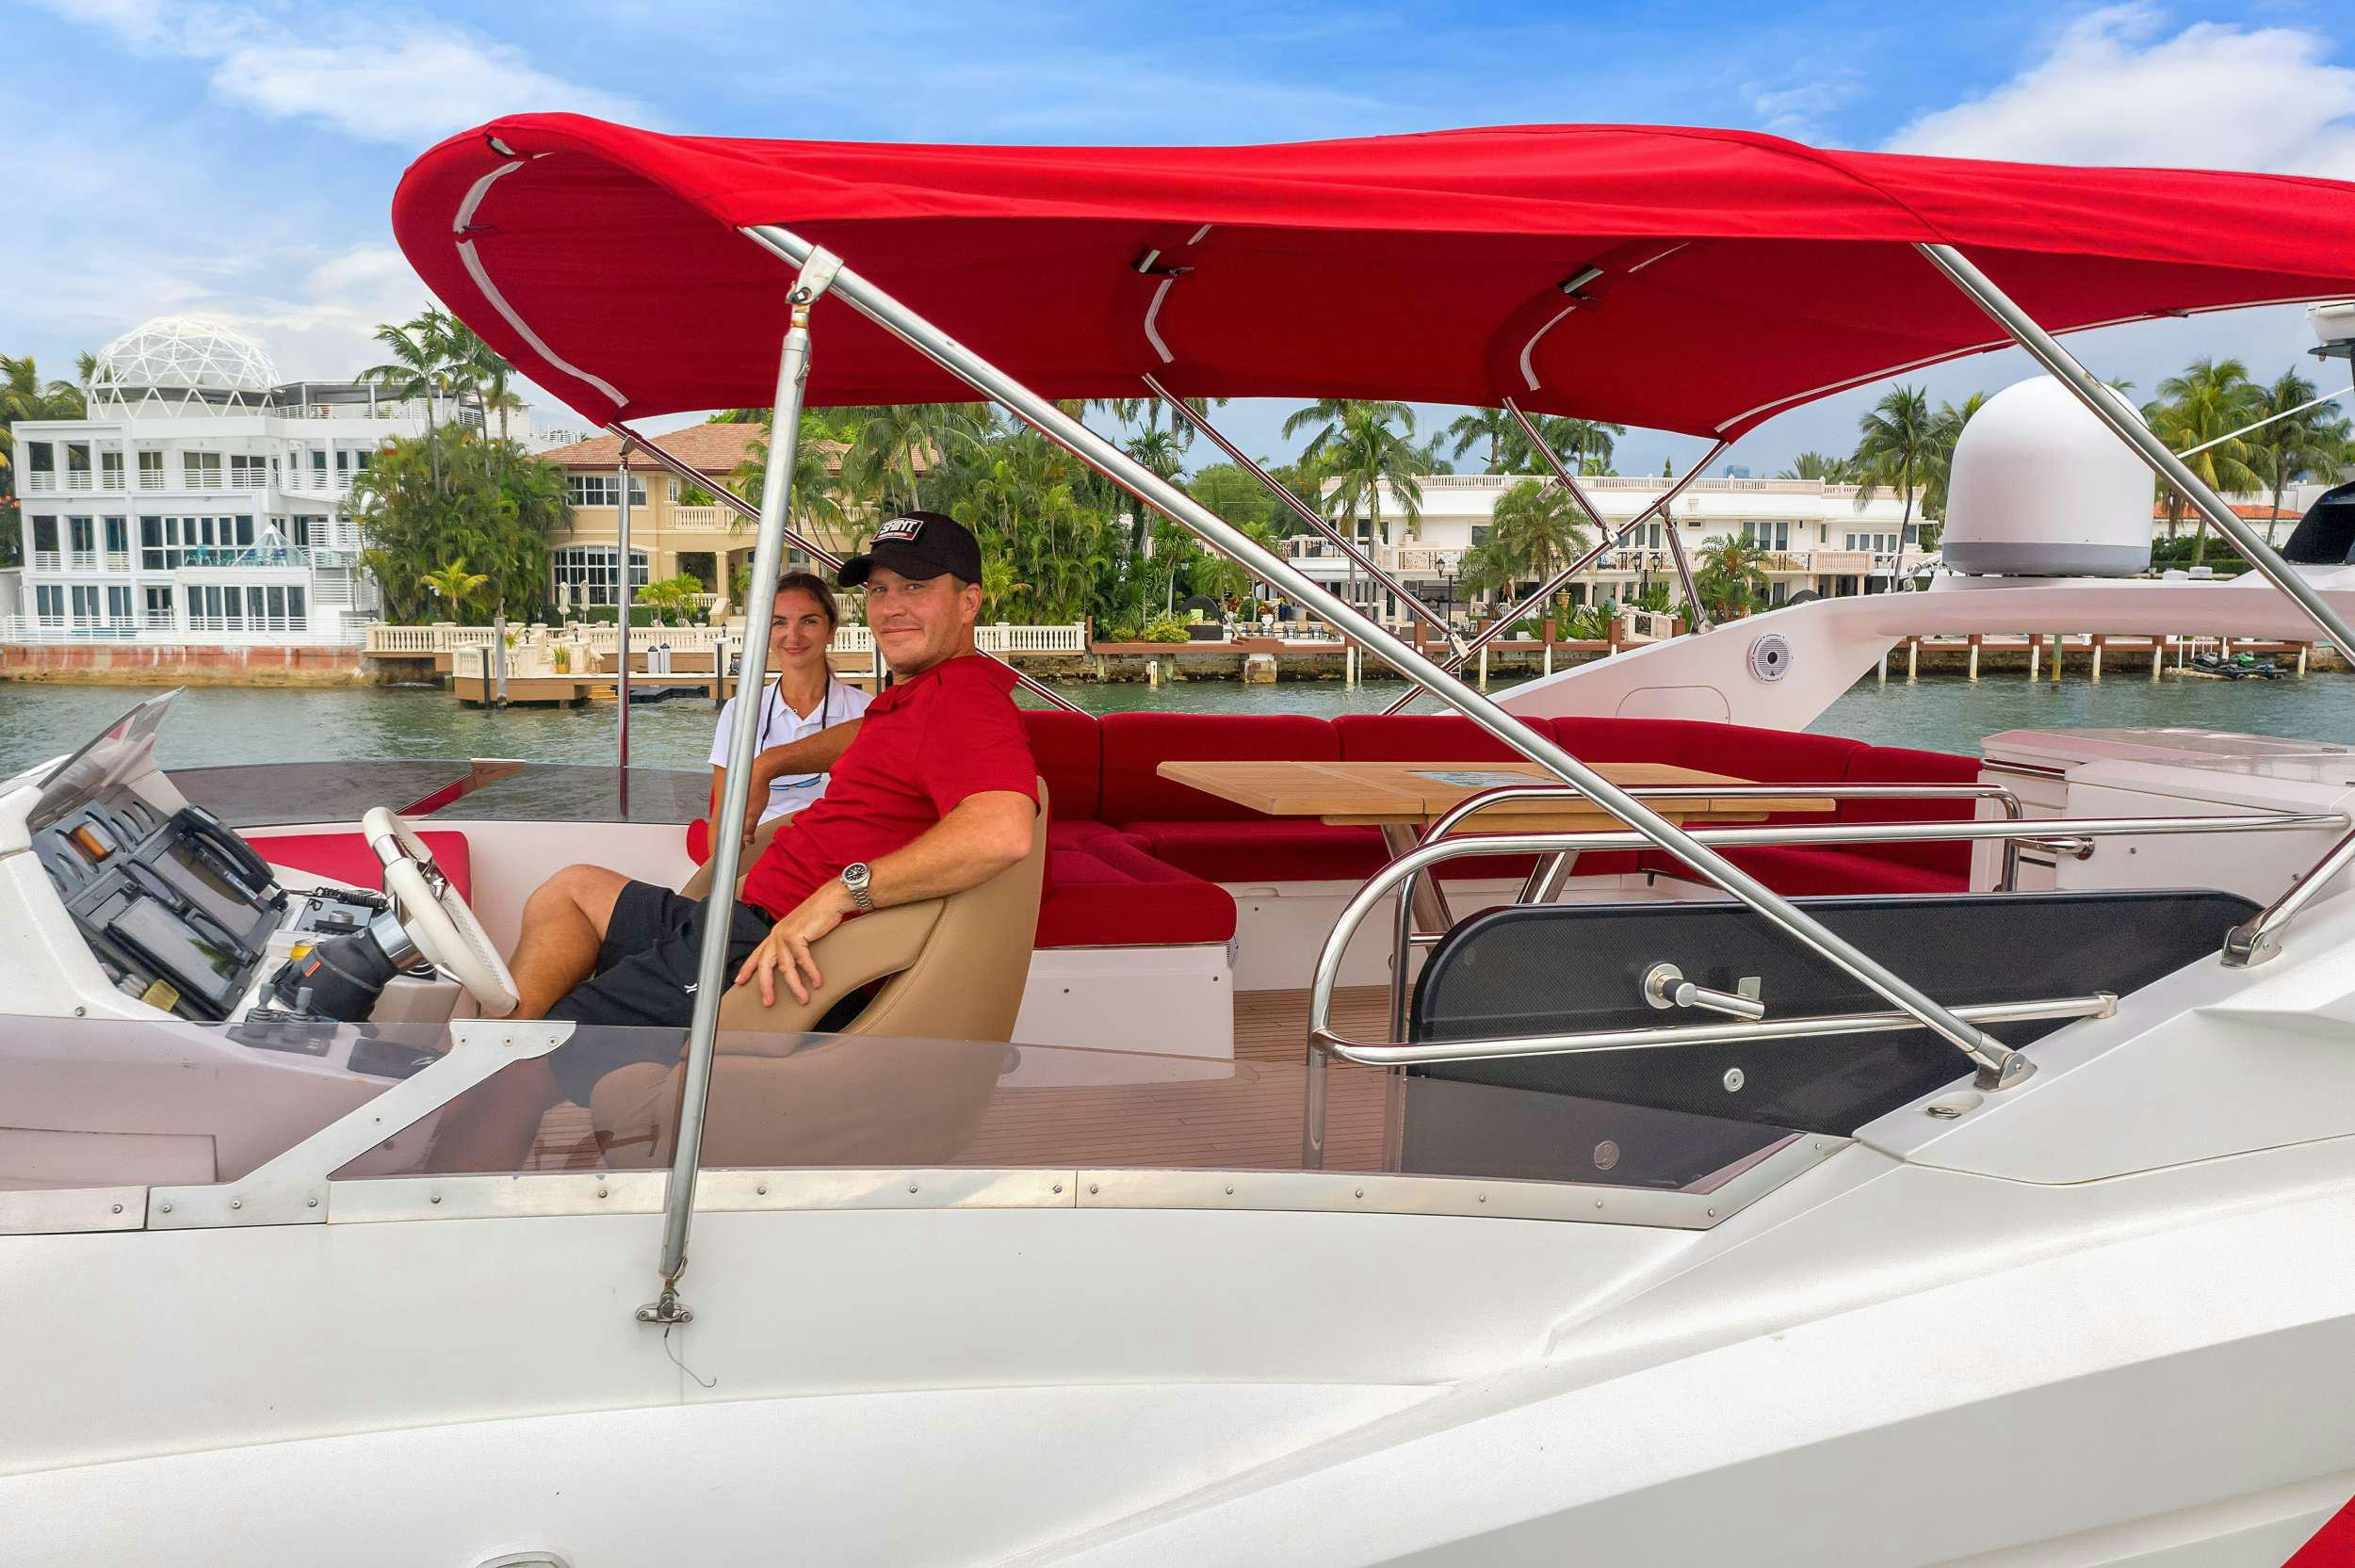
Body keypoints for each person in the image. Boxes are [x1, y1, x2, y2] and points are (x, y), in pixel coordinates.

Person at [429, 513, 1038, 1171]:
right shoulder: (918, 695)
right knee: (571, 890)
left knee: (529, 1061)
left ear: (969, 600)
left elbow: (1002, 829)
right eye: (881, 590)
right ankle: (492, 1048)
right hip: (743, 915)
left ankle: (443, 1186)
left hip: (764, 950)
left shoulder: (966, 704)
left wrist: (842, 892)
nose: (891, 608)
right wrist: (773, 763)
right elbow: (870, 739)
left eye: (915, 588)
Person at [708, 572, 869, 832]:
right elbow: (721, 819)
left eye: (809, 621)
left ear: (831, 630)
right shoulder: (739, 712)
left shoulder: (866, 711)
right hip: (759, 857)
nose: (793, 635)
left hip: (834, 856)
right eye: (779, 623)